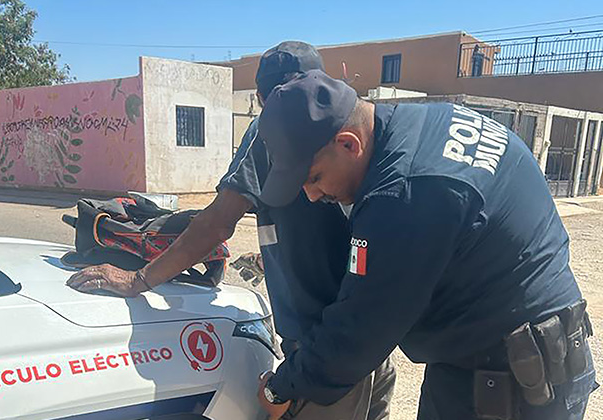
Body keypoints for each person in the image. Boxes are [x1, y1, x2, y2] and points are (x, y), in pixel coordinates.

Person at [67, 41, 395, 420]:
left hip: (324, 352)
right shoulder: (358, 126)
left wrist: (139, 279)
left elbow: (219, 221)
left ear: (261, 97)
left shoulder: (273, 125)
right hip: (373, 339)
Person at [253, 69, 597, 420]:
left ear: (348, 144)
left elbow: (360, 330)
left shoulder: (405, 192)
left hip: (512, 386)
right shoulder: (430, 121)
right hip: (515, 358)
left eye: (314, 178)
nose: (312, 196)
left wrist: (281, 387)